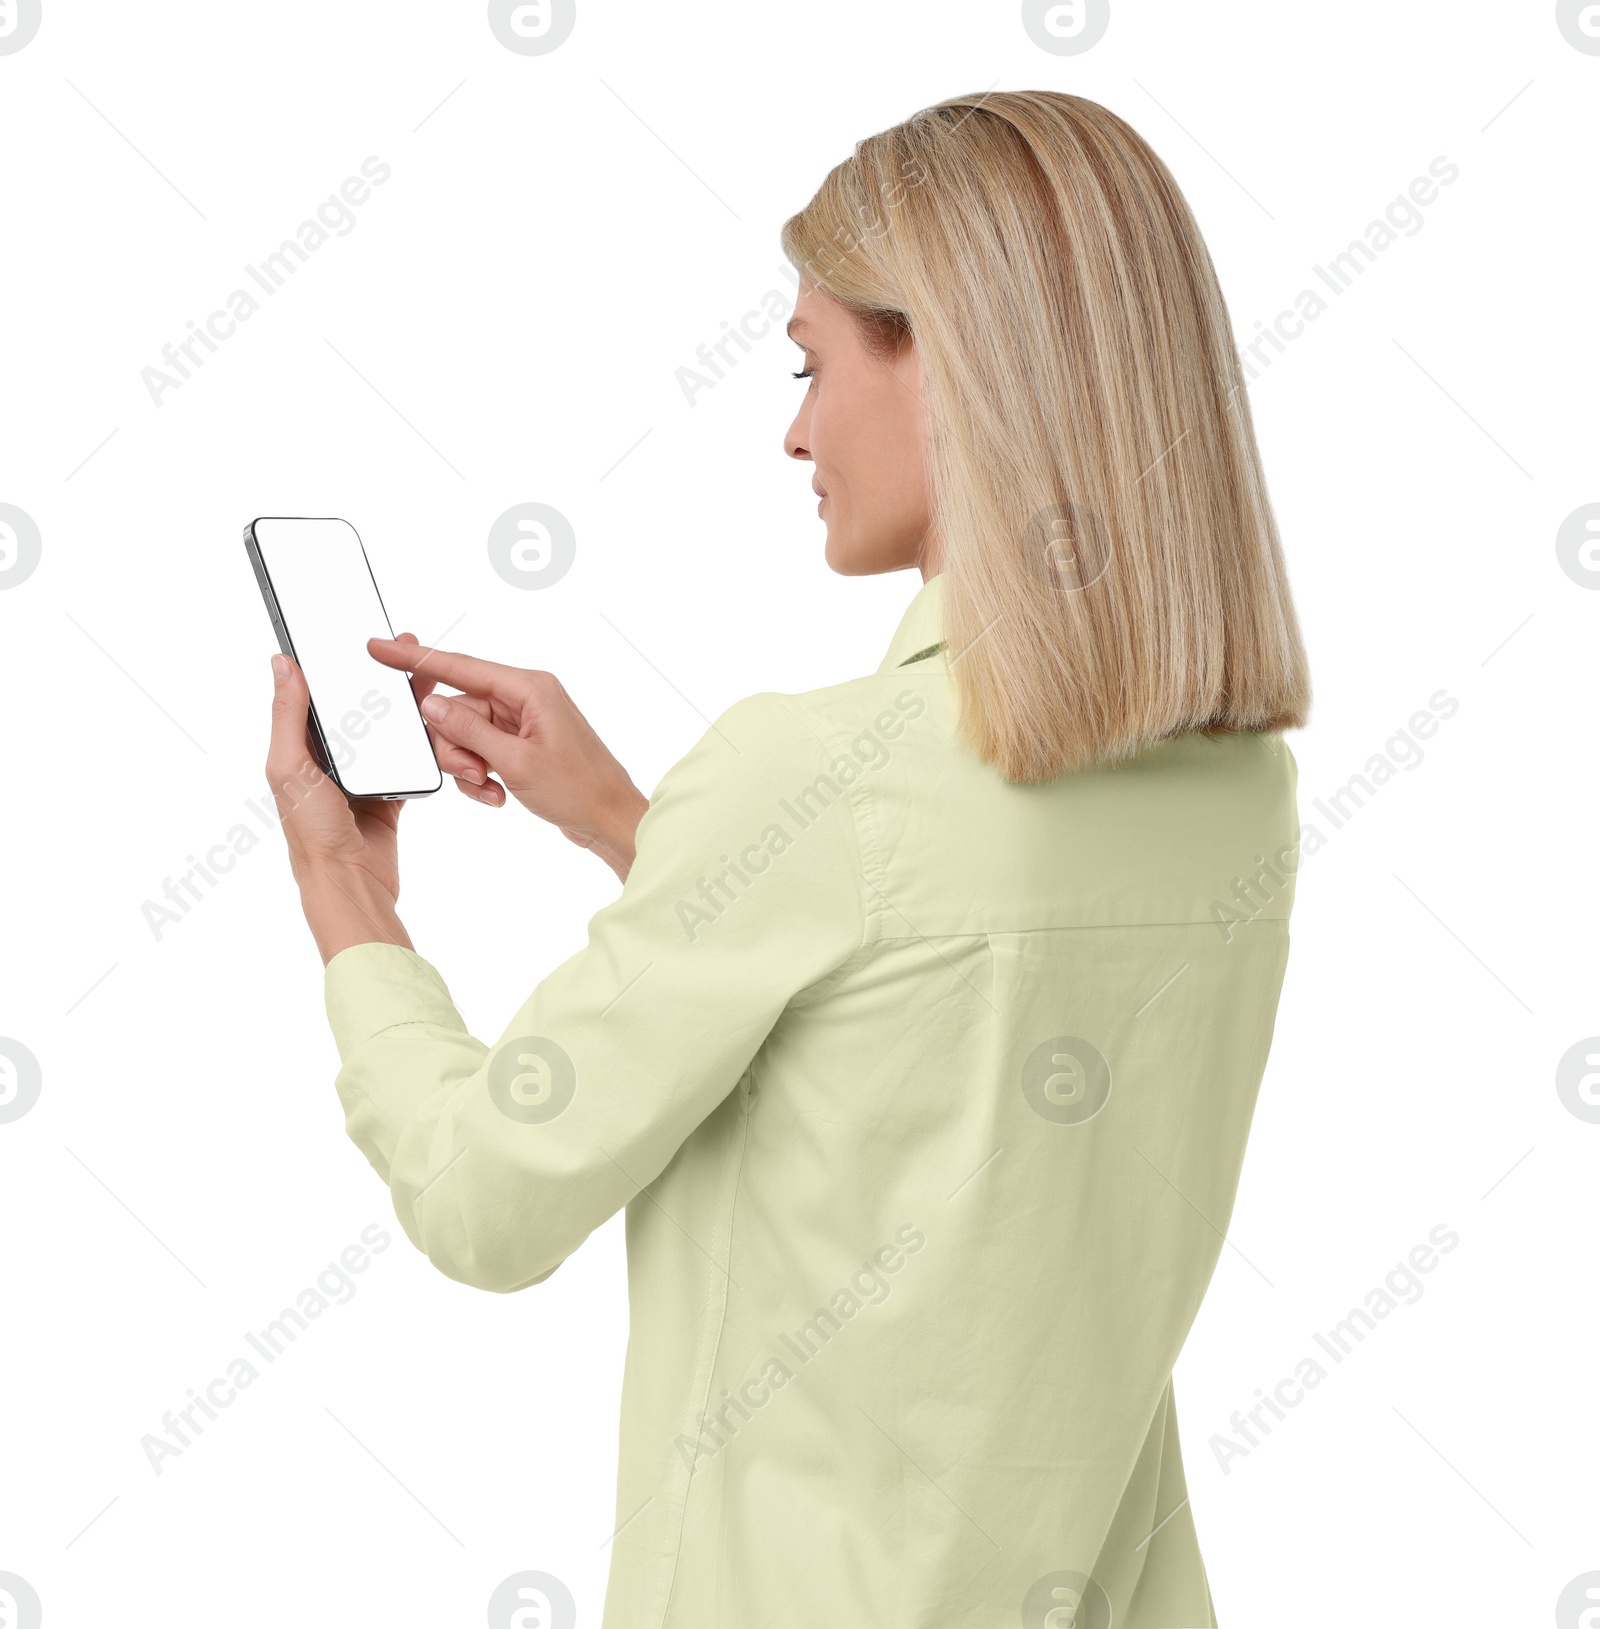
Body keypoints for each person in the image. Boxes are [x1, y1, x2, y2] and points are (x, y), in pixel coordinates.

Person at [265, 89, 1310, 1629]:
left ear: (952, 364)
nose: (795, 427)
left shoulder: (811, 778)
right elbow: (921, 1021)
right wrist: (640, 825)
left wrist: (345, 894)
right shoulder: (1240, 796)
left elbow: (487, 1195)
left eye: (813, 366)